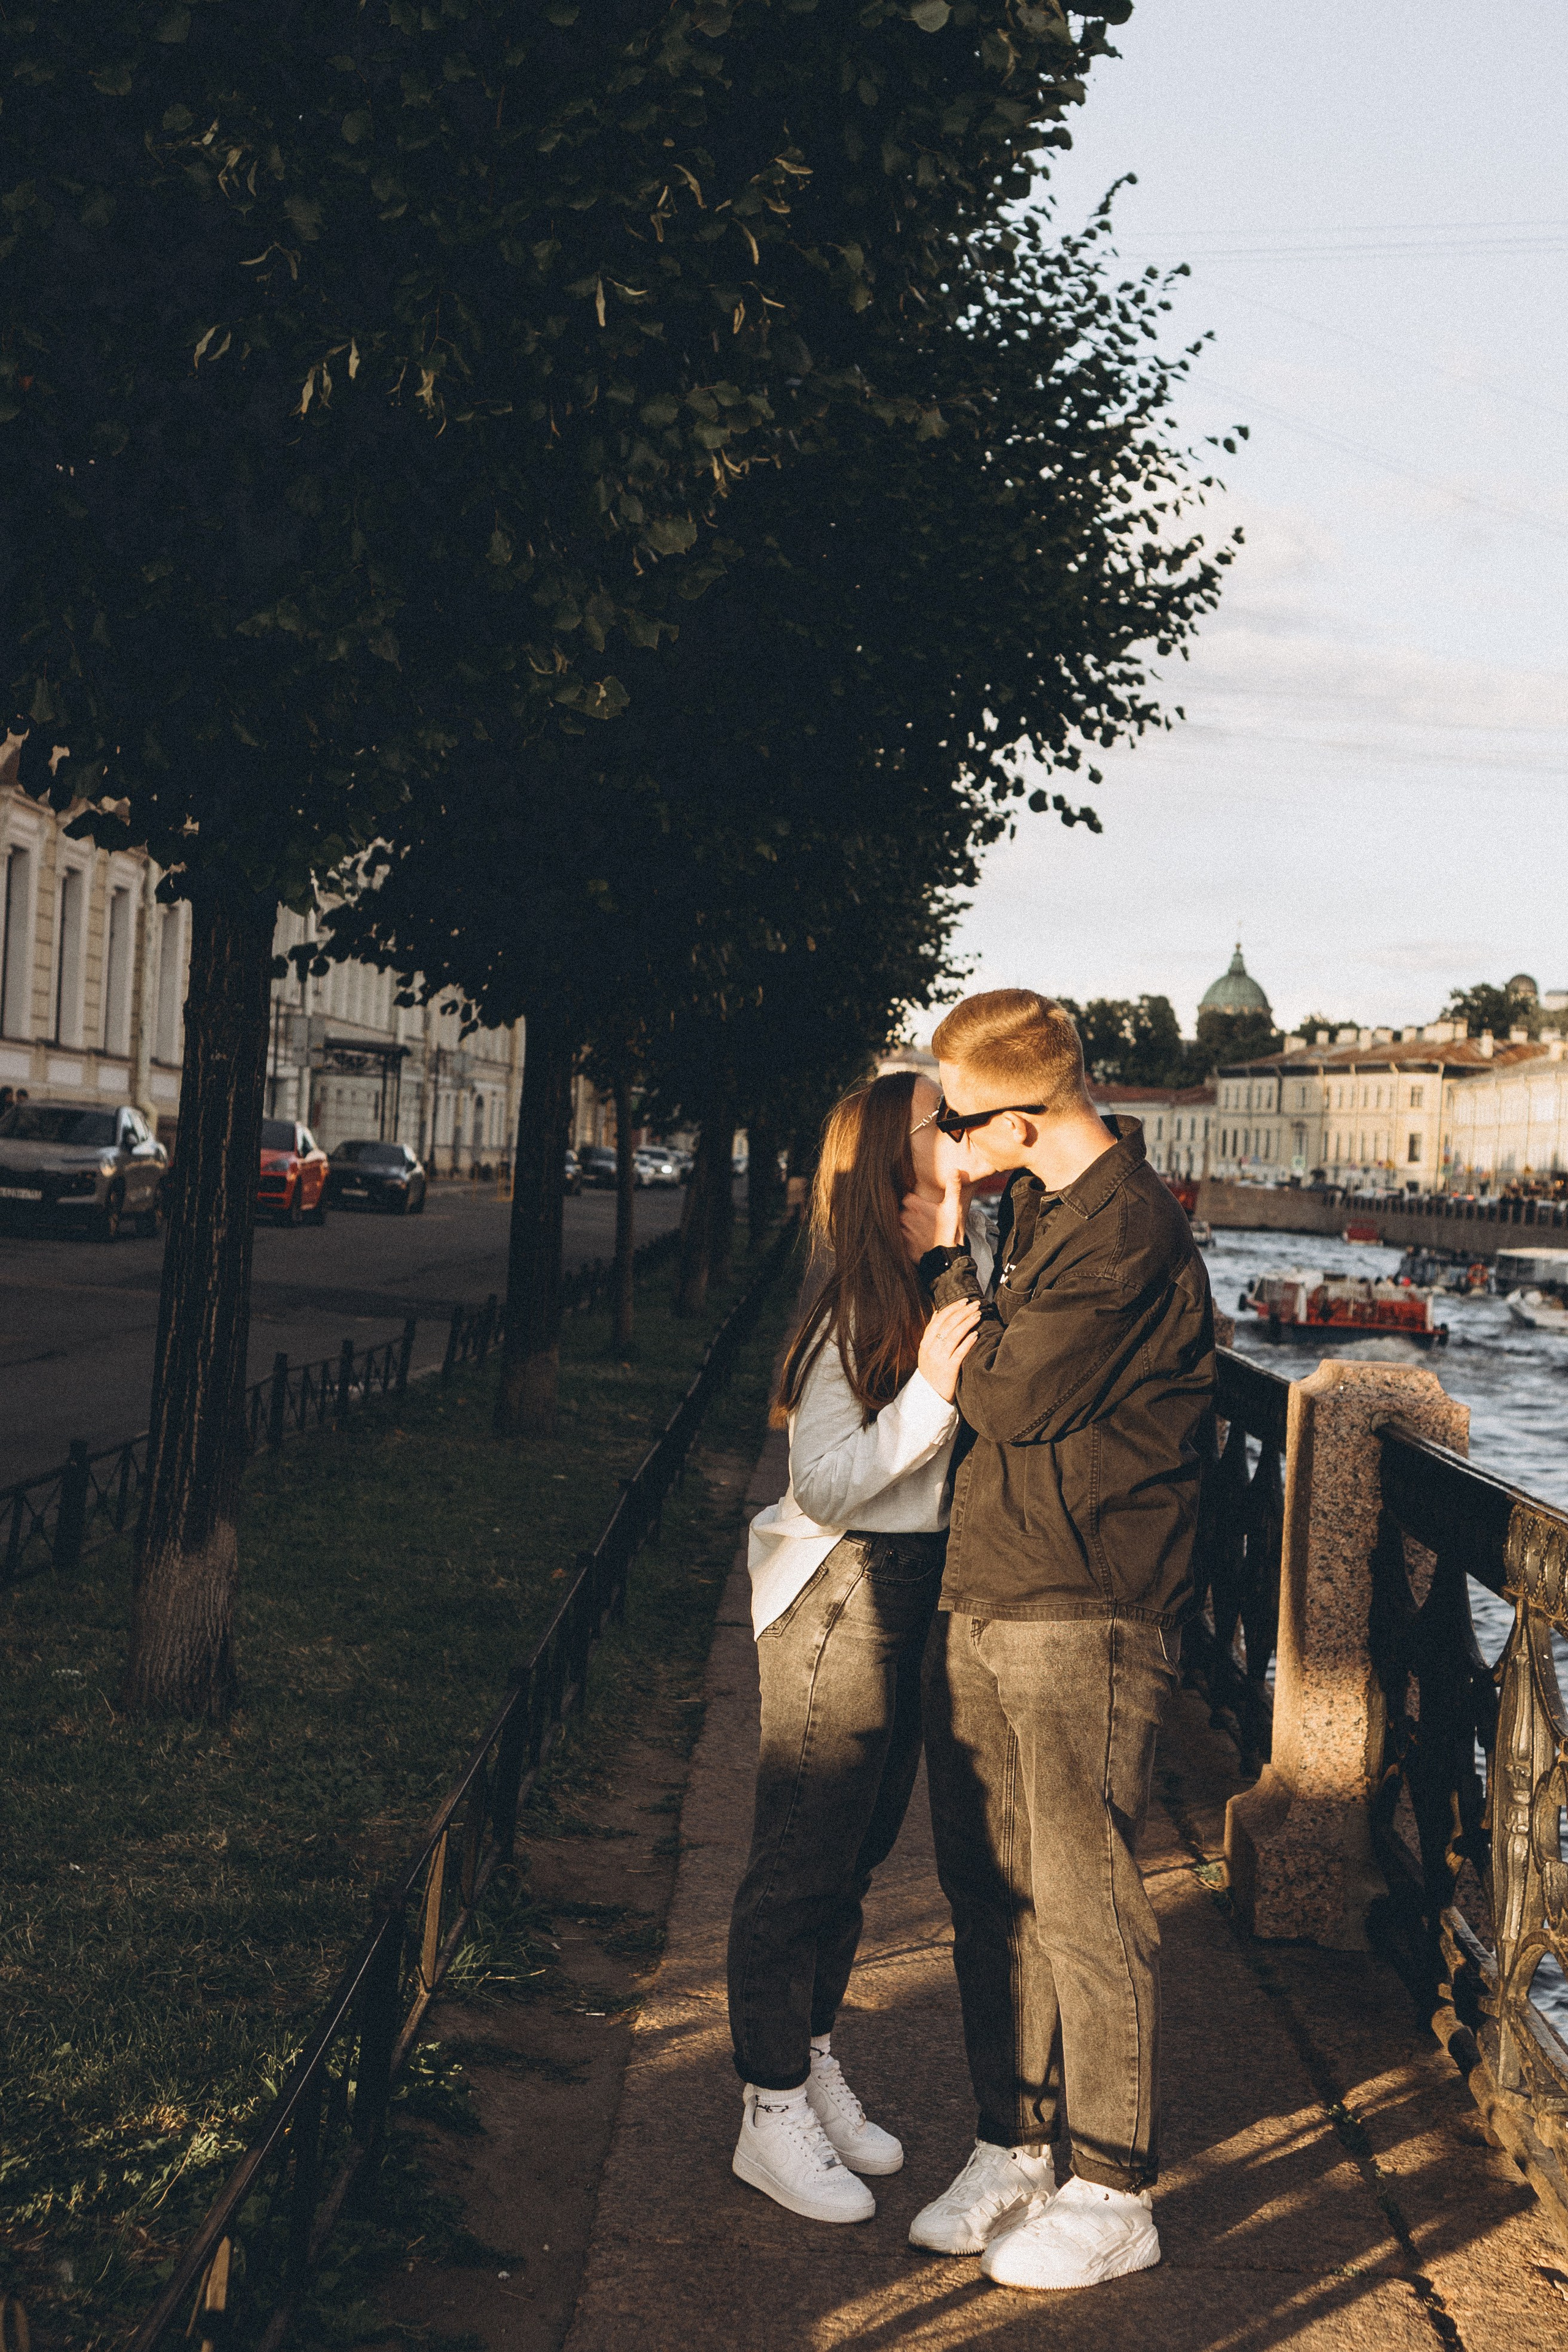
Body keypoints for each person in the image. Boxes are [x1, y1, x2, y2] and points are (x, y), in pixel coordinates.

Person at [902, 989, 1214, 2292]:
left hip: (1085, 1603)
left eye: (957, 1122)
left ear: (1021, 1117)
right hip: (989, 1582)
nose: (944, 1144)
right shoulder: (1030, 1208)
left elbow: (1013, 1391)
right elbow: (990, 1367)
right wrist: (956, 1262)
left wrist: (941, 1317)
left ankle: (1113, 2185)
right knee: (989, 1891)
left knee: (1085, 1902)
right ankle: (1015, 2145)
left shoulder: (1128, 1227)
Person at [728, 1069, 993, 2225]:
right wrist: (932, 1395)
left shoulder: (944, 1274)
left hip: (906, 1591)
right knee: (798, 1860)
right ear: (896, 1166)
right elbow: (827, 1480)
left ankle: (811, 2053)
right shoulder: (851, 1313)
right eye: (948, 1123)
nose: (970, 1135)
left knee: (855, 1856)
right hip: (838, 1594)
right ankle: (766, 2105)